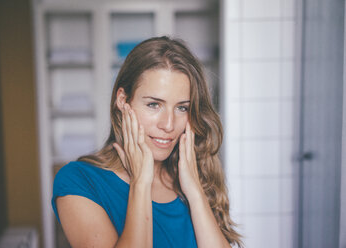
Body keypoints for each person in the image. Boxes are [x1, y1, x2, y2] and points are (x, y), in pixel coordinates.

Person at [52, 36, 243, 248]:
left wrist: (195, 191)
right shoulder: (80, 180)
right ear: (123, 101)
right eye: (154, 104)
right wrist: (141, 182)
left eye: (182, 108)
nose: (169, 124)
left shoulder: (197, 176)